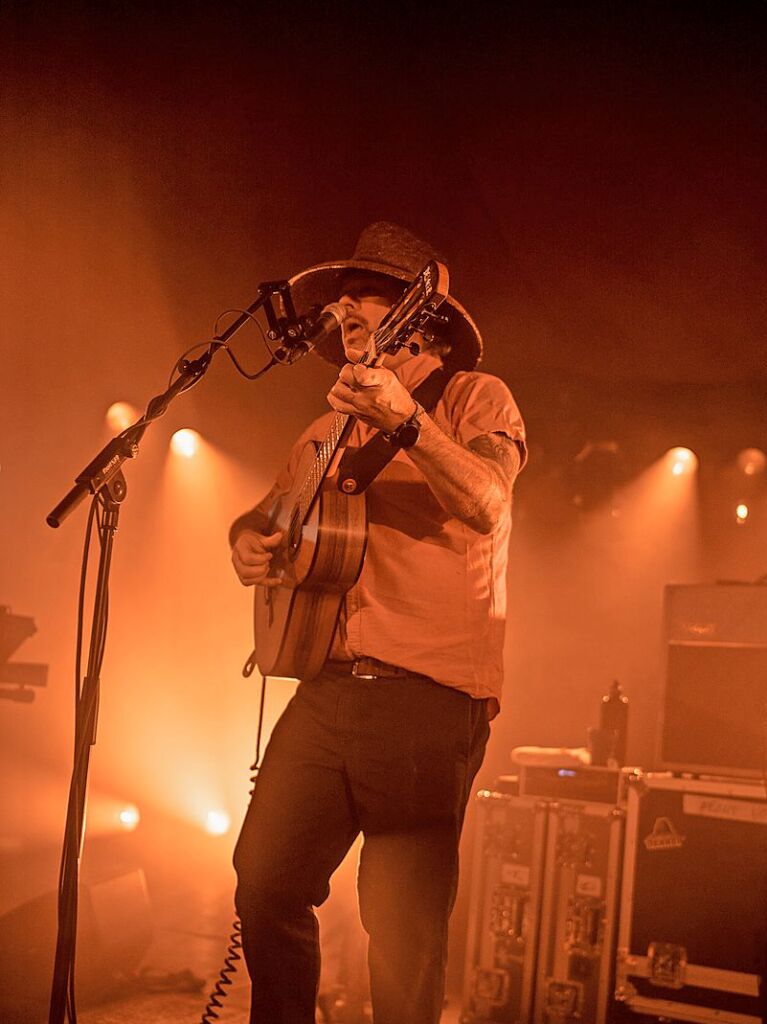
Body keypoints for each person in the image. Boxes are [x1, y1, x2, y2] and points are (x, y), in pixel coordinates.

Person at [229, 222, 527, 1024]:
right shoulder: (324, 429)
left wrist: (407, 424)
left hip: (428, 699)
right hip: (328, 690)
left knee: (400, 929)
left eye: (362, 295)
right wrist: (246, 540)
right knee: (264, 881)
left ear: (416, 317)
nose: (340, 309)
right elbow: (265, 515)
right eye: (340, 300)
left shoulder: (476, 397)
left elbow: (489, 504)